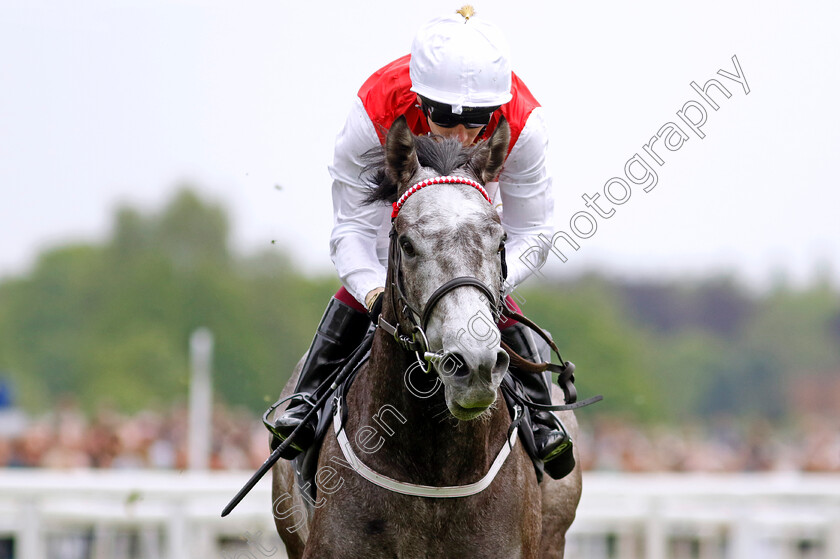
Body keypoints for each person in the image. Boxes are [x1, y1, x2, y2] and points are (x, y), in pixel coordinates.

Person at [273, 6, 571, 479]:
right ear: (418, 99)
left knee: (481, 278)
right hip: (401, 223)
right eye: (444, 120)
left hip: (473, 225)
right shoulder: (374, 110)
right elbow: (353, 228)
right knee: (386, 269)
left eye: (477, 122)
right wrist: (373, 289)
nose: (460, 136)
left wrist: (480, 282)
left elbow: (535, 230)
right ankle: (307, 402)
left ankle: (541, 418)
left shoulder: (525, 124)